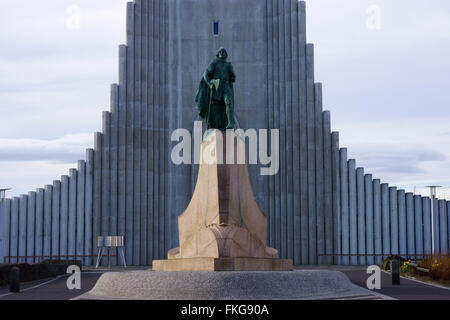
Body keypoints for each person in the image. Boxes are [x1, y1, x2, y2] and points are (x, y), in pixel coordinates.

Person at [196, 47, 236, 130]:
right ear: (218, 53)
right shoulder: (215, 63)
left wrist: (232, 76)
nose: (222, 53)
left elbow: (233, 78)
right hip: (217, 86)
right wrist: (210, 83)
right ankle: (213, 124)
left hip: (225, 86)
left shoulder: (228, 65)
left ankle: (230, 123)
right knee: (215, 107)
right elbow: (206, 74)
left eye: (223, 51)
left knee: (228, 102)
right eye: (220, 51)